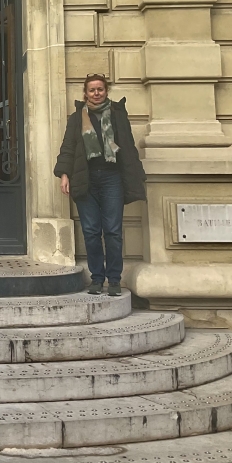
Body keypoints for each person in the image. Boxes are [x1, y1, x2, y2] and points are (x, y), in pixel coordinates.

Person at [53, 74, 146, 297]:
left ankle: (114, 280)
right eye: (92, 90)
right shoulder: (77, 118)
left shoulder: (117, 114)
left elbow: (128, 146)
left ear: (106, 91)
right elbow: (68, 147)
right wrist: (64, 174)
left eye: (100, 89)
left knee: (113, 231)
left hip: (112, 178)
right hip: (85, 178)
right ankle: (97, 278)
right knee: (91, 231)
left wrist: (136, 175)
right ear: (85, 93)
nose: (96, 93)